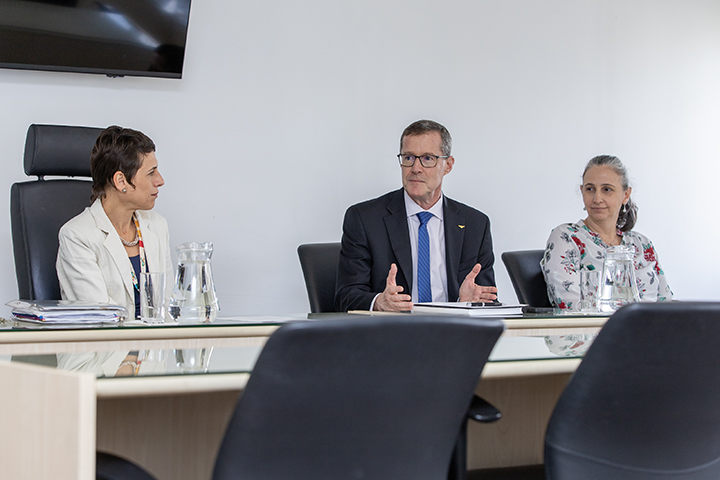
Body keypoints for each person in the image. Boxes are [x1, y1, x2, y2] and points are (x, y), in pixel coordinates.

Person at [335, 119, 497, 312]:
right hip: (392, 334)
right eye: (408, 158)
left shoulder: (475, 225)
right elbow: (346, 297)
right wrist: (379, 302)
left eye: (428, 158)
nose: (415, 168)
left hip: (453, 334)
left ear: (448, 165)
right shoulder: (364, 219)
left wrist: (470, 303)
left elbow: (488, 298)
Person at [56, 126, 173, 320]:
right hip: (107, 349)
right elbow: (103, 319)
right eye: (151, 172)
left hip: (154, 347)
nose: (160, 181)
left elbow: (167, 308)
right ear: (121, 182)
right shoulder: (76, 236)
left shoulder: (157, 226)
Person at [541, 155, 673, 310]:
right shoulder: (566, 238)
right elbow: (572, 305)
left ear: (626, 195)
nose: (597, 198)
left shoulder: (642, 244)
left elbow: (666, 303)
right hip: (594, 333)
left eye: (607, 190)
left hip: (650, 331)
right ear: (582, 192)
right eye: (590, 189)